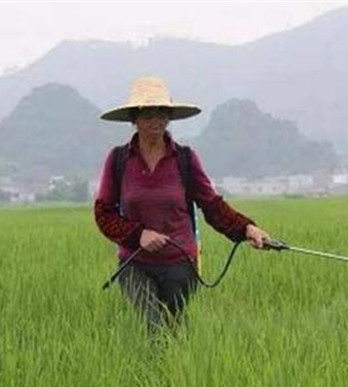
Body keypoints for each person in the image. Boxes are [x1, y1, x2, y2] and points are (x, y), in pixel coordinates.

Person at [94, 76, 270, 332]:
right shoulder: (119, 159)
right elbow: (104, 214)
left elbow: (212, 205)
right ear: (134, 120)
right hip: (135, 263)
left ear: (169, 118)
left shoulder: (184, 159)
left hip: (180, 263)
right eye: (147, 114)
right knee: (153, 326)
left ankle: (177, 370)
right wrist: (138, 235)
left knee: (175, 329)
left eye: (161, 113)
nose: (156, 120)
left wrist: (247, 229)